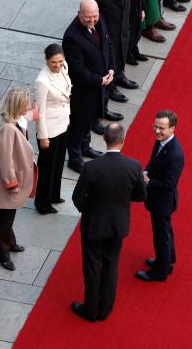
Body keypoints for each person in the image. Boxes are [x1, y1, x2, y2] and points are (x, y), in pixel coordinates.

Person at [70, 123, 146, 322]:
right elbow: (140, 195)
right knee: (111, 265)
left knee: (92, 266)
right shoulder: (134, 166)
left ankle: (90, 309)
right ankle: (105, 309)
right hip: (117, 225)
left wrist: (89, 211)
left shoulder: (91, 167)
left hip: (93, 225)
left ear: (104, 138)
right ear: (123, 140)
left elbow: (77, 198)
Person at [63, 0, 115, 174]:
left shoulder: (100, 22)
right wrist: (98, 80)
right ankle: (75, 158)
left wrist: (112, 69)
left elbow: (108, 45)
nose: (92, 20)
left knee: (90, 120)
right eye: (88, 17)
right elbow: (77, 70)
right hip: (83, 90)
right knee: (79, 124)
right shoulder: (72, 37)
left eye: (94, 16)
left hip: (100, 85)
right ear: (79, 14)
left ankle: (86, 147)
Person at [0, 88, 37, 271]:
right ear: (17, 106)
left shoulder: (17, 120)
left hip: (16, 178)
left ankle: (9, 241)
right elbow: (5, 158)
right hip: (11, 182)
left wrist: (35, 112)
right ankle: (1, 252)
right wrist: (11, 182)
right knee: (5, 218)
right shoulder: (8, 129)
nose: (28, 105)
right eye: (26, 103)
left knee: (9, 215)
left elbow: (27, 118)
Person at [136, 110, 185, 282]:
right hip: (159, 200)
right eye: (155, 127)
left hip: (162, 202)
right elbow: (153, 160)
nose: (157, 131)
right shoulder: (162, 142)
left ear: (173, 129)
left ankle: (160, 272)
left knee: (161, 236)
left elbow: (169, 184)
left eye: (162, 128)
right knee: (166, 232)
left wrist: (147, 182)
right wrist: (146, 171)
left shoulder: (175, 154)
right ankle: (167, 261)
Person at [86, 0, 139, 103]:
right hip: (108, 35)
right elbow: (91, 17)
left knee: (120, 57)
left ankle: (119, 76)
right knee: (110, 62)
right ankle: (111, 88)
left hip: (123, 30)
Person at [34, 43, 72, 214]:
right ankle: (42, 203)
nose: (57, 65)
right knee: (47, 168)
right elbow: (39, 112)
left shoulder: (64, 67)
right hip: (49, 129)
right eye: (53, 63)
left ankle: (54, 195)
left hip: (63, 123)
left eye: (60, 61)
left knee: (58, 164)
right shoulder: (42, 81)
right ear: (46, 61)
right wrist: (43, 137)